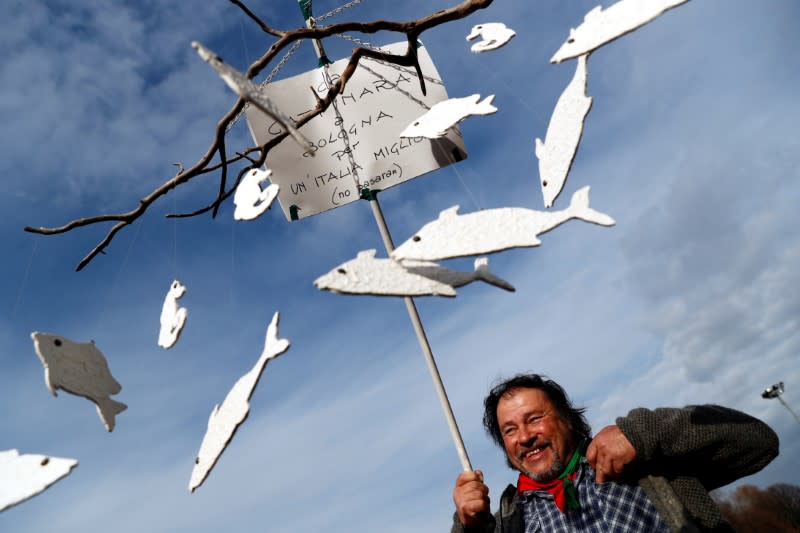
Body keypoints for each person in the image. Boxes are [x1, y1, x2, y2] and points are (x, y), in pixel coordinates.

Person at [452, 374, 780, 532]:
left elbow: (758, 442)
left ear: (567, 420)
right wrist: (468, 528)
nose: (524, 437)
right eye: (510, 430)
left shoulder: (638, 462)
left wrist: (642, 433)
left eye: (535, 418)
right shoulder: (510, 522)